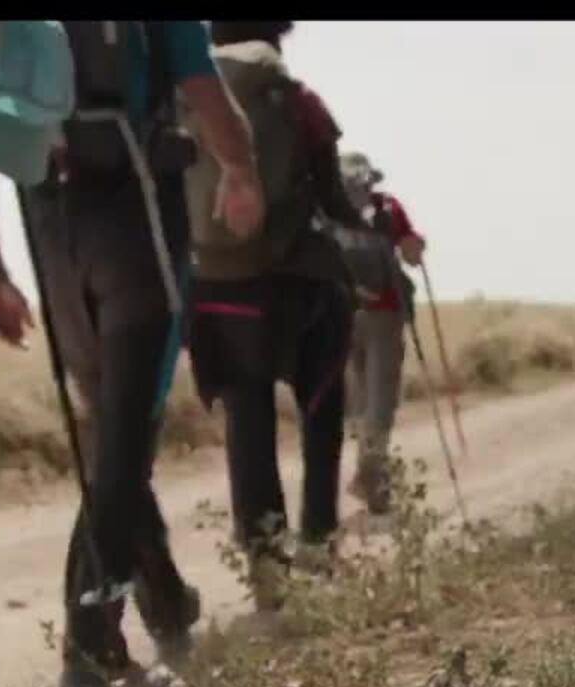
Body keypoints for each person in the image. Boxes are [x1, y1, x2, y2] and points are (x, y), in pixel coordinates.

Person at [0, 20, 264, 687]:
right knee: (127, 433)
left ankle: (167, 602)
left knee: (114, 432)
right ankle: (90, 646)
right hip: (135, 219)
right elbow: (207, 96)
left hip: (49, 227)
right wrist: (241, 171)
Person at [183, 21, 366, 613]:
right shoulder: (297, 99)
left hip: (214, 286)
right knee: (322, 407)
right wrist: (365, 236)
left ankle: (266, 567)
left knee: (247, 419)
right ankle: (320, 541)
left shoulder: (182, 99)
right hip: (296, 278)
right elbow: (333, 197)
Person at [334, 152, 428, 515]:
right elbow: (411, 255)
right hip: (383, 315)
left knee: (359, 401)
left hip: (340, 313)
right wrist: (415, 245)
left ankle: (367, 473)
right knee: (381, 401)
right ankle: (371, 479)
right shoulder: (387, 207)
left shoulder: (325, 208)